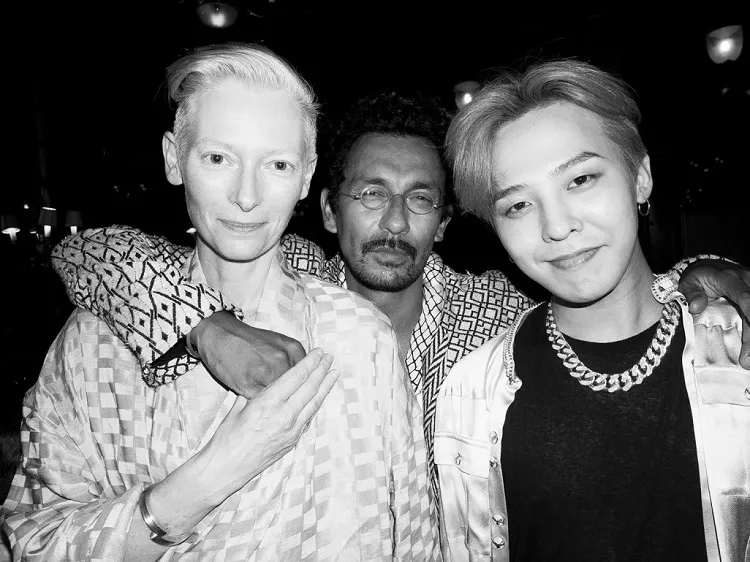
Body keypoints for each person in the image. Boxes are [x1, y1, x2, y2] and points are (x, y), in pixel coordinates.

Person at [49, 89, 750, 494]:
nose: (392, 222)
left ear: (443, 223)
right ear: (329, 212)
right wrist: (205, 325)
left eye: (418, 199)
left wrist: (701, 275)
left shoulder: (492, 311)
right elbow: (87, 252)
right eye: (370, 194)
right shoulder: (289, 279)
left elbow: (595, 293)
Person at [1, 43, 440, 560]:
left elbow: (412, 536)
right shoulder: (93, 343)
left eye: (277, 164)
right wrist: (210, 477)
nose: (246, 196)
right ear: (174, 158)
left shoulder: (358, 336)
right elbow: (31, 541)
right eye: (217, 158)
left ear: (306, 175)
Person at [436, 59, 749, 561]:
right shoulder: (472, 391)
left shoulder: (738, 347)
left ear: (640, 177)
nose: (556, 226)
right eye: (518, 205)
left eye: (580, 179)